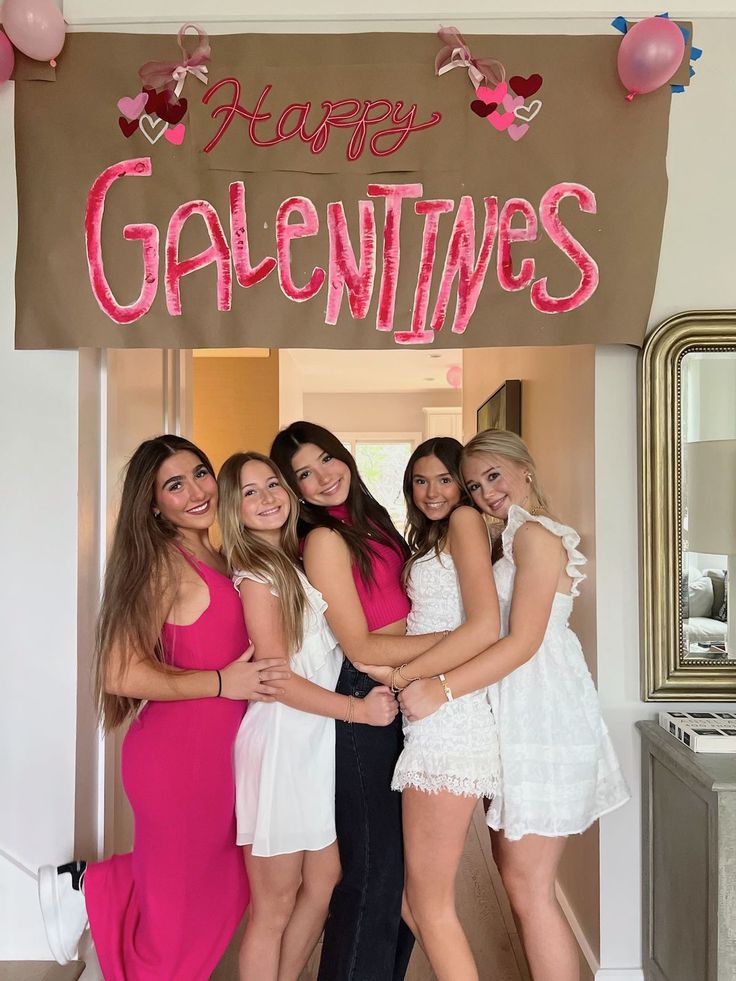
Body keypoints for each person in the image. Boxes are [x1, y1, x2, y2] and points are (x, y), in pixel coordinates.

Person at [38, 435, 290, 981]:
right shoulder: (162, 566)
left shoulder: (223, 557)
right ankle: (101, 903)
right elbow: (119, 671)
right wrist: (224, 681)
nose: (197, 491)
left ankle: (92, 885)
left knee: (228, 885)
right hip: (178, 761)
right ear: (154, 504)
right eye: (175, 485)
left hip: (224, 756)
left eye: (200, 473)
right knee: (179, 922)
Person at [397, 429, 631, 981]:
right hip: (519, 710)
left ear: (525, 468)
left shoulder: (537, 537)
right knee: (521, 882)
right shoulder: (515, 535)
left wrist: (443, 687)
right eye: (475, 485)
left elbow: (523, 642)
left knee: (529, 889)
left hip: (543, 714)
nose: (485, 493)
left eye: (493, 476)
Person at [270, 422, 452, 981]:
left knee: (398, 875)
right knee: (372, 871)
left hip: (397, 687)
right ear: (295, 489)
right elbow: (361, 644)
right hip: (363, 691)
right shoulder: (324, 539)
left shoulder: (374, 524)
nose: (325, 477)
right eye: (305, 473)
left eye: (327, 459)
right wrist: (465, 636)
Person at [217, 451, 398, 981]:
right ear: (234, 507)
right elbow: (275, 678)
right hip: (281, 744)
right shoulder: (256, 574)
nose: (267, 497)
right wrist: (358, 711)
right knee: (272, 907)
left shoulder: (294, 561)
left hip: (316, 741)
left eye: (271, 484)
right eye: (249, 492)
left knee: (325, 881)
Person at [382, 437, 501, 981]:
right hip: (432, 721)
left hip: (450, 721)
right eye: (420, 481)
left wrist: (406, 675)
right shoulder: (436, 537)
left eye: (444, 480)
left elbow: (483, 626)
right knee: (416, 903)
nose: (432, 492)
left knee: (429, 906)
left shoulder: (466, 524)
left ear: (462, 483)